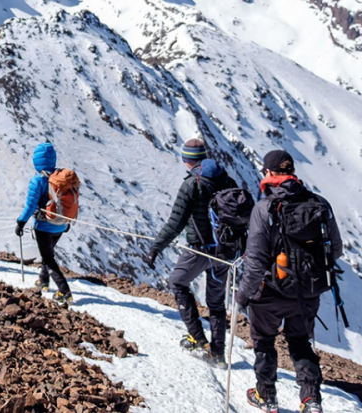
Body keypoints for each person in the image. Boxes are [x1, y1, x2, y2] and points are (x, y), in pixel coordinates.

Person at [236, 150, 342, 413]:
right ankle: (311, 399)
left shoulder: (264, 209)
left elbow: (256, 261)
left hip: (270, 292)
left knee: (264, 342)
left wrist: (242, 295)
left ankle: (267, 397)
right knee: (300, 342)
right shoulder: (320, 204)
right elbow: (336, 248)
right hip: (307, 291)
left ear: (270, 174)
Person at [146, 138, 238, 365]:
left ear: (186, 160)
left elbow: (176, 223)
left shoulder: (192, 184)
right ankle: (218, 352)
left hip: (199, 250)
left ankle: (197, 338)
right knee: (216, 303)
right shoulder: (226, 179)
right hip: (225, 251)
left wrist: (156, 248)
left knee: (177, 282)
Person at [15, 142, 72, 308]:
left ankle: (64, 291)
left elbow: (31, 205)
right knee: (48, 253)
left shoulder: (38, 181)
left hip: (44, 227)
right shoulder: (62, 178)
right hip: (61, 225)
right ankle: (43, 280)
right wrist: (68, 221)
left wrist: (21, 222)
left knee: (48, 257)